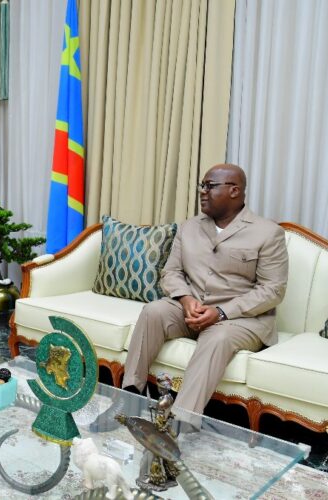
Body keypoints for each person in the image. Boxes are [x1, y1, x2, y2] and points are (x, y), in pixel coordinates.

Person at [121, 163, 289, 418]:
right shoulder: (189, 227)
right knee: (153, 311)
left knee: (217, 337)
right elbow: (171, 272)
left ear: (234, 190)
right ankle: (129, 398)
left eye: (209, 186)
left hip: (239, 319)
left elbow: (272, 290)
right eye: (202, 185)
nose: (202, 191)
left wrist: (220, 312)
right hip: (191, 309)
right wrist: (186, 299)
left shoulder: (268, 233)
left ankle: (180, 421)